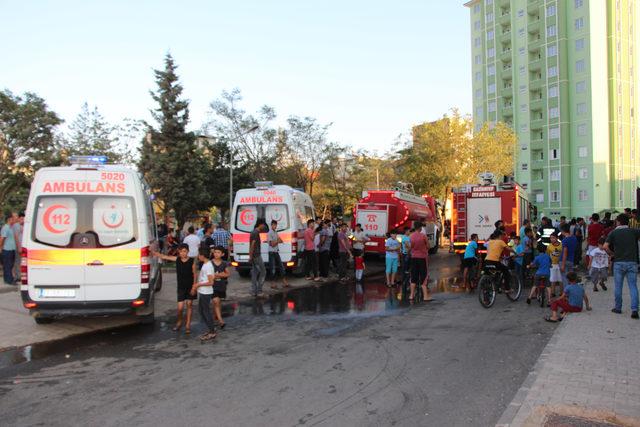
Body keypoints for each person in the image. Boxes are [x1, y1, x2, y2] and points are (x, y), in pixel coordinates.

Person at [152, 243, 196, 333]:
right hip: (181, 288)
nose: (183, 253)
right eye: (181, 252)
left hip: (190, 287)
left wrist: (194, 287)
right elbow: (165, 257)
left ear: (188, 251)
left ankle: (188, 325)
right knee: (180, 308)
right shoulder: (177, 259)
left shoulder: (192, 261)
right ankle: (179, 322)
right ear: (178, 252)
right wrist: (154, 253)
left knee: (189, 305)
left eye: (185, 251)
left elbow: (195, 274)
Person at [604, 214, 640, 319]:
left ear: (618, 221)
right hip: (632, 262)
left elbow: (605, 246)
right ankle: (634, 310)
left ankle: (618, 308)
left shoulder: (613, 232)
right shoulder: (634, 231)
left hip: (619, 262)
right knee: (633, 286)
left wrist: (612, 254)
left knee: (618, 286)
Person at [191, 248, 217, 341]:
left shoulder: (208, 266)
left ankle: (212, 332)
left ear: (202, 256)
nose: (198, 256)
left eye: (199, 255)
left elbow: (211, 282)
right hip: (202, 291)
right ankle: (211, 329)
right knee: (202, 311)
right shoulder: (205, 264)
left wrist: (198, 284)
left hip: (206, 292)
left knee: (206, 312)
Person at [409, 221, 432, 302]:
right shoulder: (423, 236)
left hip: (414, 257)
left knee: (414, 276)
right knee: (423, 276)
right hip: (422, 257)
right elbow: (428, 246)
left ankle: (411, 295)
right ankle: (425, 296)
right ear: (420, 228)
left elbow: (410, 247)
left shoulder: (411, 236)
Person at [210, 246, 230, 329]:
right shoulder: (210, 263)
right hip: (212, 286)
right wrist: (219, 275)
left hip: (221, 286)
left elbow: (228, 274)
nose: (216, 254)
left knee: (218, 303)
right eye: (215, 252)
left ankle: (215, 318)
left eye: (218, 252)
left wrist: (218, 275)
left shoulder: (224, 263)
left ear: (222, 254)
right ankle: (221, 320)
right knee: (216, 301)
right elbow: (209, 275)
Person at [267, 220, 289, 290]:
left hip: (276, 252)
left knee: (281, 266)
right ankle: (272, 283)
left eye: (276, 225)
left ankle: (284, 281)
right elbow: (272, 244)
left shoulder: (275, 232)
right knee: (272, 268)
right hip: (271, 252)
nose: (275, 226)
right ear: (271, 225)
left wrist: (276, 241)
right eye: (273, 225)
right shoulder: (269, 233)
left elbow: (281, 240)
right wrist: (277, 241)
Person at [249, 221, 268, 298]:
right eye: (264, 225)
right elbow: (252, 245)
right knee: (263, 272)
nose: (264, 227)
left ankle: (254, 291)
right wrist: (250, 256)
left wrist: (250, 256)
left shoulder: (254, 232)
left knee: (255, 272)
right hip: (256, 255)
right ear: (260, 224)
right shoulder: (255, 233)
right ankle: (259, 291)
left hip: (254, 255)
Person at [0, 212, 18, 285]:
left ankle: (8, 279)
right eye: (13, 218)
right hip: (6, 250)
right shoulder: (6, 227)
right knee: (7, 265)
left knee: (10, 265)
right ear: (9, 219)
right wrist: (0, 247)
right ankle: (9, 280)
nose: (14, 220)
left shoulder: (11, 227)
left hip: (11, 249)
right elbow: (2, 239)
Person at [560, 223, 577, 289]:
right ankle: (572, 291)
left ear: (563, 231)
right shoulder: (574, 238)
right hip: (571, 260)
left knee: (565, 278)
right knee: (571, 278)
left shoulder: (564, 240)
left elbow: (565, 252)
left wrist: (563, 265)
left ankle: (567, 294)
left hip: (564, 261)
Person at [12, 212, 24, 283]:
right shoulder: (16, 225)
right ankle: (17, 276)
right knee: (17, 261)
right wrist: (19, 247)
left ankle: (20, 275)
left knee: (21, 261)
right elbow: (16, 237)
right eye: (21, 218)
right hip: (18, 246)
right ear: (19, 218)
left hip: (22, 246)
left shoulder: (23, 225)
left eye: (23, 219)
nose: (22, 220)